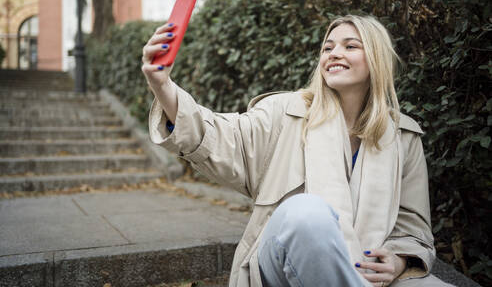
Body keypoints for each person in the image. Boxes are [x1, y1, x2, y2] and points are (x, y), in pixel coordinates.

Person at [141, 15, 454, 287]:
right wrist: (162, 85)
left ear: (377, 59)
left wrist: (400, 260)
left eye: (350, 46)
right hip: (282, 268)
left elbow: (413, 227)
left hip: (372, 275)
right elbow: (217, 135)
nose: (334, 53)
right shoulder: (285, 111)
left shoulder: (402, 135)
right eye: (327, 47)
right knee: (306, 214)